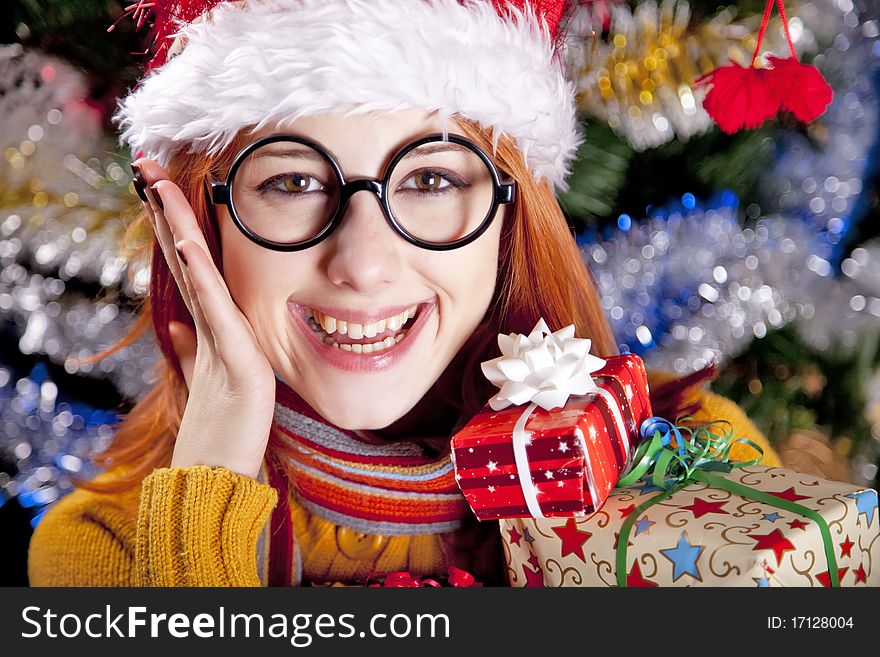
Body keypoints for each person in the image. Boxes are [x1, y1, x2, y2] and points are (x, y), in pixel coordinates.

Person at [28, 0, 779, 587]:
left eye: (430, 179)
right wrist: (205, 510)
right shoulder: (107, 552)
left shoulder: (693, 463)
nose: (363, 263)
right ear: (194, 226)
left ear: (512, 216)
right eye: (292, 182)